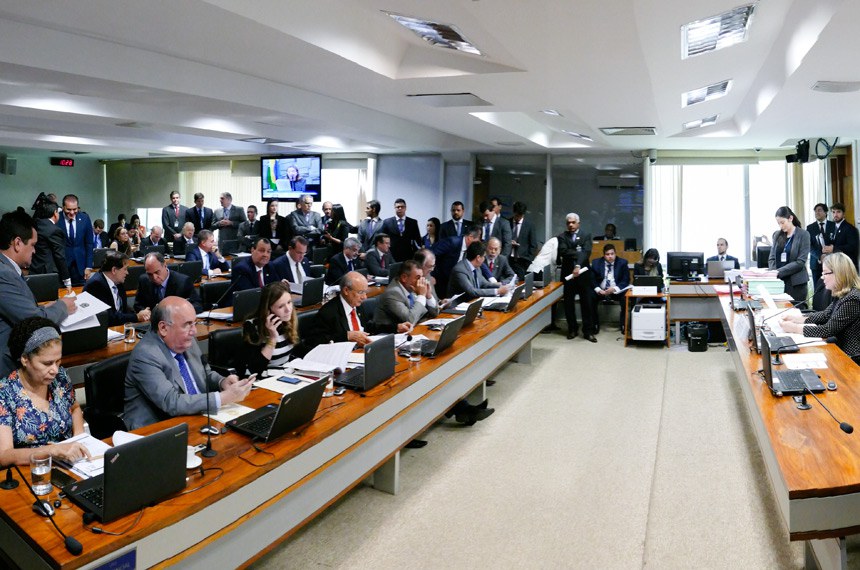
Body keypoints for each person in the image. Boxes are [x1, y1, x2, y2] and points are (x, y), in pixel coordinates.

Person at [124, 297, 253, 430]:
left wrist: (222, 382)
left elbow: (205, 374)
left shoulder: (185, 340)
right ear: (163, 328)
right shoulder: (146, 355)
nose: (194, 331)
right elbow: (171, 402)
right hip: (157, 429)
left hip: (197, 417)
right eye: (187, 324)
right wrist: (223, 397)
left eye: (194, 323)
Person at [0, 317, 91, 466]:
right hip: (32, 470)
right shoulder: (5, 393)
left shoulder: (60, 378)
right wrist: (51, 451)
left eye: (58, 361)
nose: (55, 370)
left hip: (70, 464)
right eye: (47, 363)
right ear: (25, 359)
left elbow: (74, 408)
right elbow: (4, 455)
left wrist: (80, 438)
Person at [0, 208, 75, 377]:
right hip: (7, 368)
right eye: (33, 245)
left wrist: (46, 308)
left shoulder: (8, 269)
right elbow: (32, 320)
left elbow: (20, 309)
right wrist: (63, 306)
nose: (35, 251)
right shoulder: (3, 273)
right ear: (17, 243)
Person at [781, 252, 860, 364]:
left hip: (850, 357)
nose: (822, 277)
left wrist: (795, 328)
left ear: (838, 273)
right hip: (838, 349)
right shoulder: (843, 294)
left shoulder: (853, 298)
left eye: (825, 273)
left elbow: (828, 329)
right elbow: (824, 315)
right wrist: (796, 318)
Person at [305, 272, 408, 349]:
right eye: (361, 292)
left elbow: (368, 327)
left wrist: (396, 327)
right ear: (346, 290)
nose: (365, 297)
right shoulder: (328, 312)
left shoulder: (356, 305)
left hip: (362, 352)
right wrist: (347, 336)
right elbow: (314, 341)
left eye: (365, 292)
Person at [242, 282, 308, 375]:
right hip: (264, 378)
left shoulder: (287, 320)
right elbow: (255, 369)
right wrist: (273, 337)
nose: (288, 309)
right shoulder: (252, 326)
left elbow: (300, 350)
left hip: (287, 373)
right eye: (281, 306)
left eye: (289, 302)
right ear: (268, 310)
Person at [557, 212, 596, 342]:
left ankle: (588, 331)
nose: (571, 225)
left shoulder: (586, 235)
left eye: (573, 222)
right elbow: (563, 252)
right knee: (568, 304)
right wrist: (579, 252)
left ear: (578, 223)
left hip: (583, 275)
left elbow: (587, 252)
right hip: (568, 275)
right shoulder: (562, 237)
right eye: (568, 223)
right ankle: (572, 329)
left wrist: (578, 264)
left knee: (587, 303)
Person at [83, 251, 150, 325]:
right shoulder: (95, 285)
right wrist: (136, 317)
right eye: (125, 269)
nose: (127, 273)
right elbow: (109, 317)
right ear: (114, 270)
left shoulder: (117, 281)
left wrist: (141, 314)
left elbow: (123, 309)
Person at [375, 259, 437, 328]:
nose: (420, 282)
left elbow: (434, 313)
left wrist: (428, 296)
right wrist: (421, 295)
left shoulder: (411, 287)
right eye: (418, 278)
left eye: (422, 277)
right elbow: (410, 321)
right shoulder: (393, 293)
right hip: (390, 333)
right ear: (404, 278)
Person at [768, 206, 811, 304]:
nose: (781, 226)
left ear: (790, 218)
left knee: (794, 310)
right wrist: (773, 273)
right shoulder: (777, 235)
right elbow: (771, 258)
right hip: (778, 282)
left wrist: (778, 272)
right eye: (778, 223)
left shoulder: (804, 235)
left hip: (796, 284)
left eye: (782, 222)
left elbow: (800, 262)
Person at [134, 252, 202, 313]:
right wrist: (144, 311)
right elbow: (137, 305)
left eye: (157, 272)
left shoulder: (183, 281)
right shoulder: (143, 280)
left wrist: (176, 310)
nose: (154, 277)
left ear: (165, 265)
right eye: (150, 274)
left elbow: (198, 305)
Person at [30, 193, 71, 289]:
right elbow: (59, 256)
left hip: (34, 269)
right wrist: (67, 279)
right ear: (55, 213)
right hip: (49, 272)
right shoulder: (54, 230)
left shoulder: (35, 224)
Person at [432, 227, 482, 298]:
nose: (478, 243)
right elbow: (431, 254)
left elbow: (480, 260)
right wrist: (431, 275)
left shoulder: (470, 249)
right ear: (470, 237)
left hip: (455, 283)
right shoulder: (452, 242)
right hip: (441, 280)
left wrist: (491, 278)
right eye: (477, 240)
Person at [591, 243, 630, 332]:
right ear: (604, 255)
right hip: (601, 291)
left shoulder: (622, 263)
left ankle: (623, 324)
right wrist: (599, 290)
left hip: (616, 291)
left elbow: (626, 280)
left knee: (625, 298)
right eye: (607, 254)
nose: (610, 256)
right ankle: (594, 324)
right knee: (590, 296)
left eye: (612, 254)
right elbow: (592, 279)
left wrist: (614, 289)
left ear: (615, 253)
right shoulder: (596, 263)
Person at [55, 194, 93, 285]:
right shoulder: (57, 219)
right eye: (68, 209)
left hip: (81, 267)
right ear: (63, 207)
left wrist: (89, 266)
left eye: (75, 209)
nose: (72, 212)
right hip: (63, 267)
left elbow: (89, 243)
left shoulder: (85, 218)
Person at [823, 202, 859, 269]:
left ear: (844, 214)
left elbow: (852, 247)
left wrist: (834, 249)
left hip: (847, 265)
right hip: (835, 264)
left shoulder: (850, 228)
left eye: (838, 212)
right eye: (833, 212)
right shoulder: (831, 227)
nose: (835, 215)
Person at [807, 203, 834, 285]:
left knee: (832, 287)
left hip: (832, 262)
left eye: (819, 210)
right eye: (815, 211)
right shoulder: (810, 228)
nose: (817, 213)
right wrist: (820, 256)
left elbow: (836, 242)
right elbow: (809, 246)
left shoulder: (833, 225)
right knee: (818, 288)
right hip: (816, 264)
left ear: (825, 212)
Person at [509, 201, 537, 278]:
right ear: (514, 212)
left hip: (523, 260)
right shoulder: (507, 223)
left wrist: (529, 259)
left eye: (520, 216)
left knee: (521, 281)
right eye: (517, 215)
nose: (518, 218)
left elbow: (533, 245)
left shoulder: (529, 225)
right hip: (509, 258)